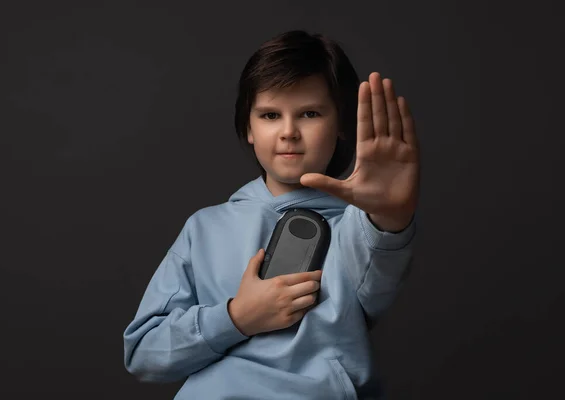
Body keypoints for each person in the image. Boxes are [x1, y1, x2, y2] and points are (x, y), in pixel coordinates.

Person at [123, 29, 419, 400]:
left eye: (310, 113)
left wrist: (389, 216)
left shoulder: (357, 227)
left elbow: (378, 272)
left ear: (341, 123)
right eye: (270, 115)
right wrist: (237, 318)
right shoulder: (205, 228)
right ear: (248, 126)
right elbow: (144, 354)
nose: (288, 132)